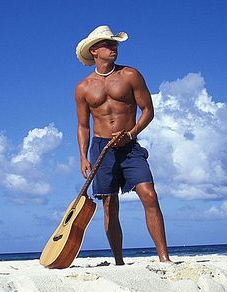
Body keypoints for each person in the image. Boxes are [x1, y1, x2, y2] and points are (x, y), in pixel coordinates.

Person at [75, 25, 170, 265]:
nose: (114, 47)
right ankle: (119, 262)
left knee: (150, 195)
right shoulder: (83, 87)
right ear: (94, 51)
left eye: (115, 43)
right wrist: (83, 157)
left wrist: (132, 132)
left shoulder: (130, 75)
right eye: (108, 44)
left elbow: (148, 110)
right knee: (109, 205)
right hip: (100, 149)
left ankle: (164, 258)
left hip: (129, 147)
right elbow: (83, 126)